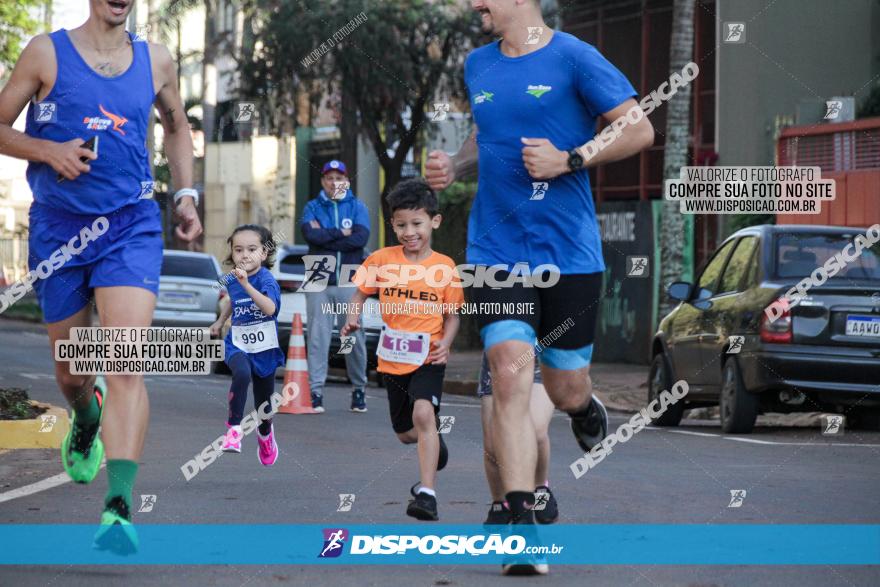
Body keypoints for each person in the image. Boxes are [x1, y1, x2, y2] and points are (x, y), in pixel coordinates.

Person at [425, 0, 653, 575]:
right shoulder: (478, 65)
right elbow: (487, 135)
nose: (473, 3)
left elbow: (640, 128)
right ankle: (522, 524)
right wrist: (457, 164)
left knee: (566, 387)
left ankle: (583, 407)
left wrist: (571, 158)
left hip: (570, 254)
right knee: (507, 372)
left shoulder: (576, 57)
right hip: (496, 249)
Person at [0, 0, 200, 554]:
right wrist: (47, 150)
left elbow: (178, 128)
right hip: (58, 230)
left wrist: (184, 195)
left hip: (130, 226)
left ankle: (118, 507)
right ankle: (83, 415)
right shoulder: (47, 53)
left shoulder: (157, 61)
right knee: (72, 375)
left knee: (124, 359)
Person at [341, 178, 464, 521]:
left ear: (434, 222)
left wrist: (446, 343)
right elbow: (359, 296)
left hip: (428, 356)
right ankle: (433, 440)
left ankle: (426, 495)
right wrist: (352, 320)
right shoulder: (381, 260)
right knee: (405, 433)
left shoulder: (444, 267)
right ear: (392, 225)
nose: (409, 232)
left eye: (417, 223)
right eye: (401, 225)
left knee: (423, 413)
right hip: (392, 360)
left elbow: (453, 317)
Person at [209, 225, 285, 465]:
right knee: (240, 374)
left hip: (264, 347)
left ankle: (265, 435)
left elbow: (270, 309)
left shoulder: (267, 280)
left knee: (264, 405)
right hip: (238, 342)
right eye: (238, 250)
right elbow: (233, 300)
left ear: (264, 253)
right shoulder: (233, 278)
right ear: (232, 254)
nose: (245, 255)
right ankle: (233, 431)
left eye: (252, 249)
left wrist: (247, 285)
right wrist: (220, 321)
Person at [301, 160, 371, 413]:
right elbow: (310, 235)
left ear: (347, 181)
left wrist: (327, 236)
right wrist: (342, 234)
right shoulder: (312, 206)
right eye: (329, 177)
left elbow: (361, 239)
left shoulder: (358, 206)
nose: (334, 182)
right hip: (317, 276)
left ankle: (359, 388)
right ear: (323, 181)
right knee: (318, 337)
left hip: (348, 278)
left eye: (339, 178)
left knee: (352, 335)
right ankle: (316, 391)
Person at [479, 352, 558, 526]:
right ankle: (500, 504)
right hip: (500, 360)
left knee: (536, 431)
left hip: (541, 356)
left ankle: (540, 489)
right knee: (493, 446)